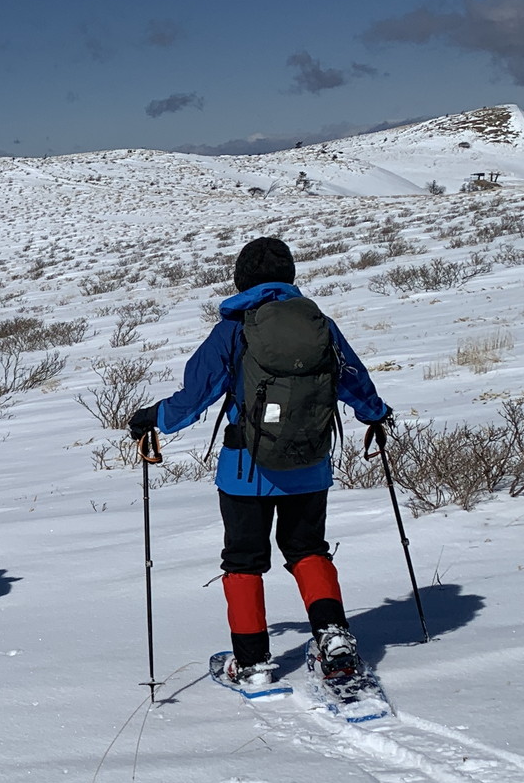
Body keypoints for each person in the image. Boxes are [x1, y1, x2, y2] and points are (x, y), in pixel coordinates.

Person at [128, 236, 390, 691]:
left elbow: (195, 397)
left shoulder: (233, 329)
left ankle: (252, 662)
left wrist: (153, 419)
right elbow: (354, 380)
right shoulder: (319, 324)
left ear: (240, 279)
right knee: (308, 549)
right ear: (289, 276)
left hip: (245, 471)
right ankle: (333, 640)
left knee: (244, 561)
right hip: (309, 465)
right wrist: (375, 415)